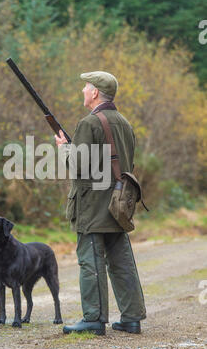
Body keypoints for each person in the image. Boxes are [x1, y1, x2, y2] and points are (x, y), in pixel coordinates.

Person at [54, 71, 146, 335]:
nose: (83, 90)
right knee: (121, 262)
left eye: (85, 87)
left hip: (93, 206)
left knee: (90, 261)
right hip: (119, 205)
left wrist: (64, 150)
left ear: (95, 92)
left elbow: (79, 167)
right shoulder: (125, 123)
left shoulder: (89, 123)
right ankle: (131, 318)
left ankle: (93, 319)